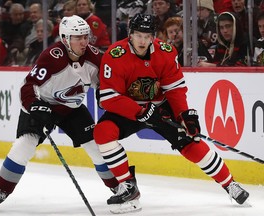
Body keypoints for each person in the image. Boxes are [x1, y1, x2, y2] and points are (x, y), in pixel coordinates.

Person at [93, 13, 250, 214]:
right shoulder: (115, 54)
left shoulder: (166, 52)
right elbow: (109, 97)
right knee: (103, 132)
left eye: (147, 36)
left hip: (160, 107)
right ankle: (129, 188)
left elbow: (174, 90)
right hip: (128, 108)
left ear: (153, 36)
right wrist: (140, 111)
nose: (142, 41)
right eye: (138, 35)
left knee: (190, 142)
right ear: (130, 34)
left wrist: (184, 115)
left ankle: (230, 184)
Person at [0, 15, 119, 209]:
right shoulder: (52, 57)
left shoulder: (95, 57)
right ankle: (1, 190)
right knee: (24, 145)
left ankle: (119, 188)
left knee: (97, 147)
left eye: (85, 36)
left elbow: (107, 83)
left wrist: (104, 94)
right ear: (65, 39)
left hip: (72, 107)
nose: (84, 41)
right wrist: (34, 105)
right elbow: (28, 86)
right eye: (78, 37)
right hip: (43, 104)